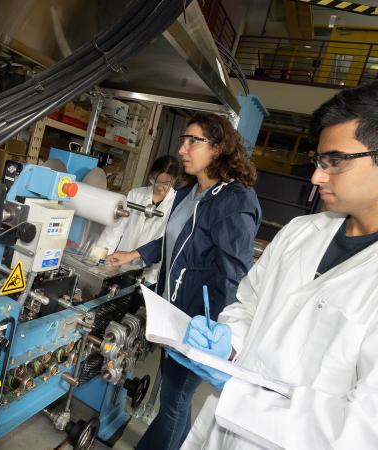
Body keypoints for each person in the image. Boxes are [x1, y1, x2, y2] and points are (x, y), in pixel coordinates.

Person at [174, 78, 378, 450]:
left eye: (335, 162)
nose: (317, 176)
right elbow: (248, 306)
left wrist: (242, 393)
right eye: (319, 160)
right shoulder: (301, 232)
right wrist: (229, 345)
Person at [107, 113, 261, 450]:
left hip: (198, 323)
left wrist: (223, 334)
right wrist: (131, 255)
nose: (182, 149)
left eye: (193, 141)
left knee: (174, 399)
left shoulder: (234, 200)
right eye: (183, 140)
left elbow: (236, 274)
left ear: (218, 147)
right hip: (171, 313)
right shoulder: (190, 192)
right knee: (174, 397)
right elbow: (170, 241)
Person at [96, 155, 181, 284]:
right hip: (119, 263)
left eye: (165, 183)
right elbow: (115, 230)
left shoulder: (176, 204)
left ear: (174, 181)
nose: (158, 187)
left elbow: (165, 243)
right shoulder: (136, 194)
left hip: (149, 272)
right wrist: (100, 256)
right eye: (155, 180)